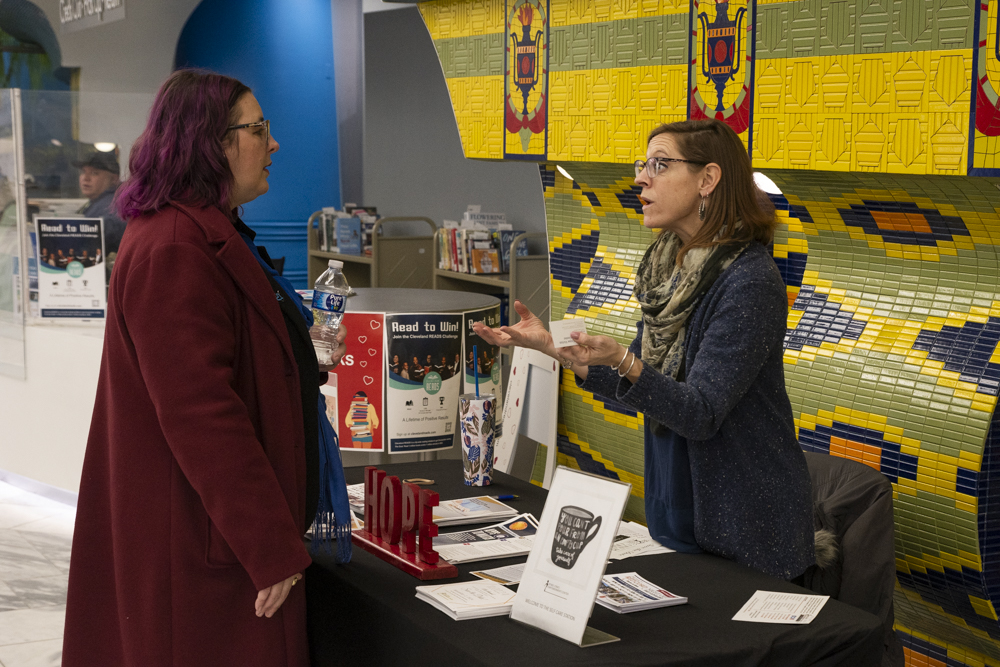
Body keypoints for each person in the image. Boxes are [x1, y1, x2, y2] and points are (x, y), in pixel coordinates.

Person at [62, 70, 352, 666]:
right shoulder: (176, 247)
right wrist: (268, 546)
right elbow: (202, 415)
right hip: (205, 544)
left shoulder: (204, 231)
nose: (273, 144)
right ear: (211, 144)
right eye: (258, 130)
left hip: (215, 532)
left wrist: (300, 350)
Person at [475, 119, 814, 581]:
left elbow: (700, 412)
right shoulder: (668, 271)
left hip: (747, 527)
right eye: (643, 165)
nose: (640, 178)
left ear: (708, 179)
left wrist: (623, 360)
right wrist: (557, 350)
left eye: (659, 164)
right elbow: (639, 383)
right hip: (681, 509)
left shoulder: (749, 281)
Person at [74, 151, 127, 259]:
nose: (86, 178)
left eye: (94, 173)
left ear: (114, 179)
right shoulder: (100, 201)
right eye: (83, 172)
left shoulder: (110, 207)